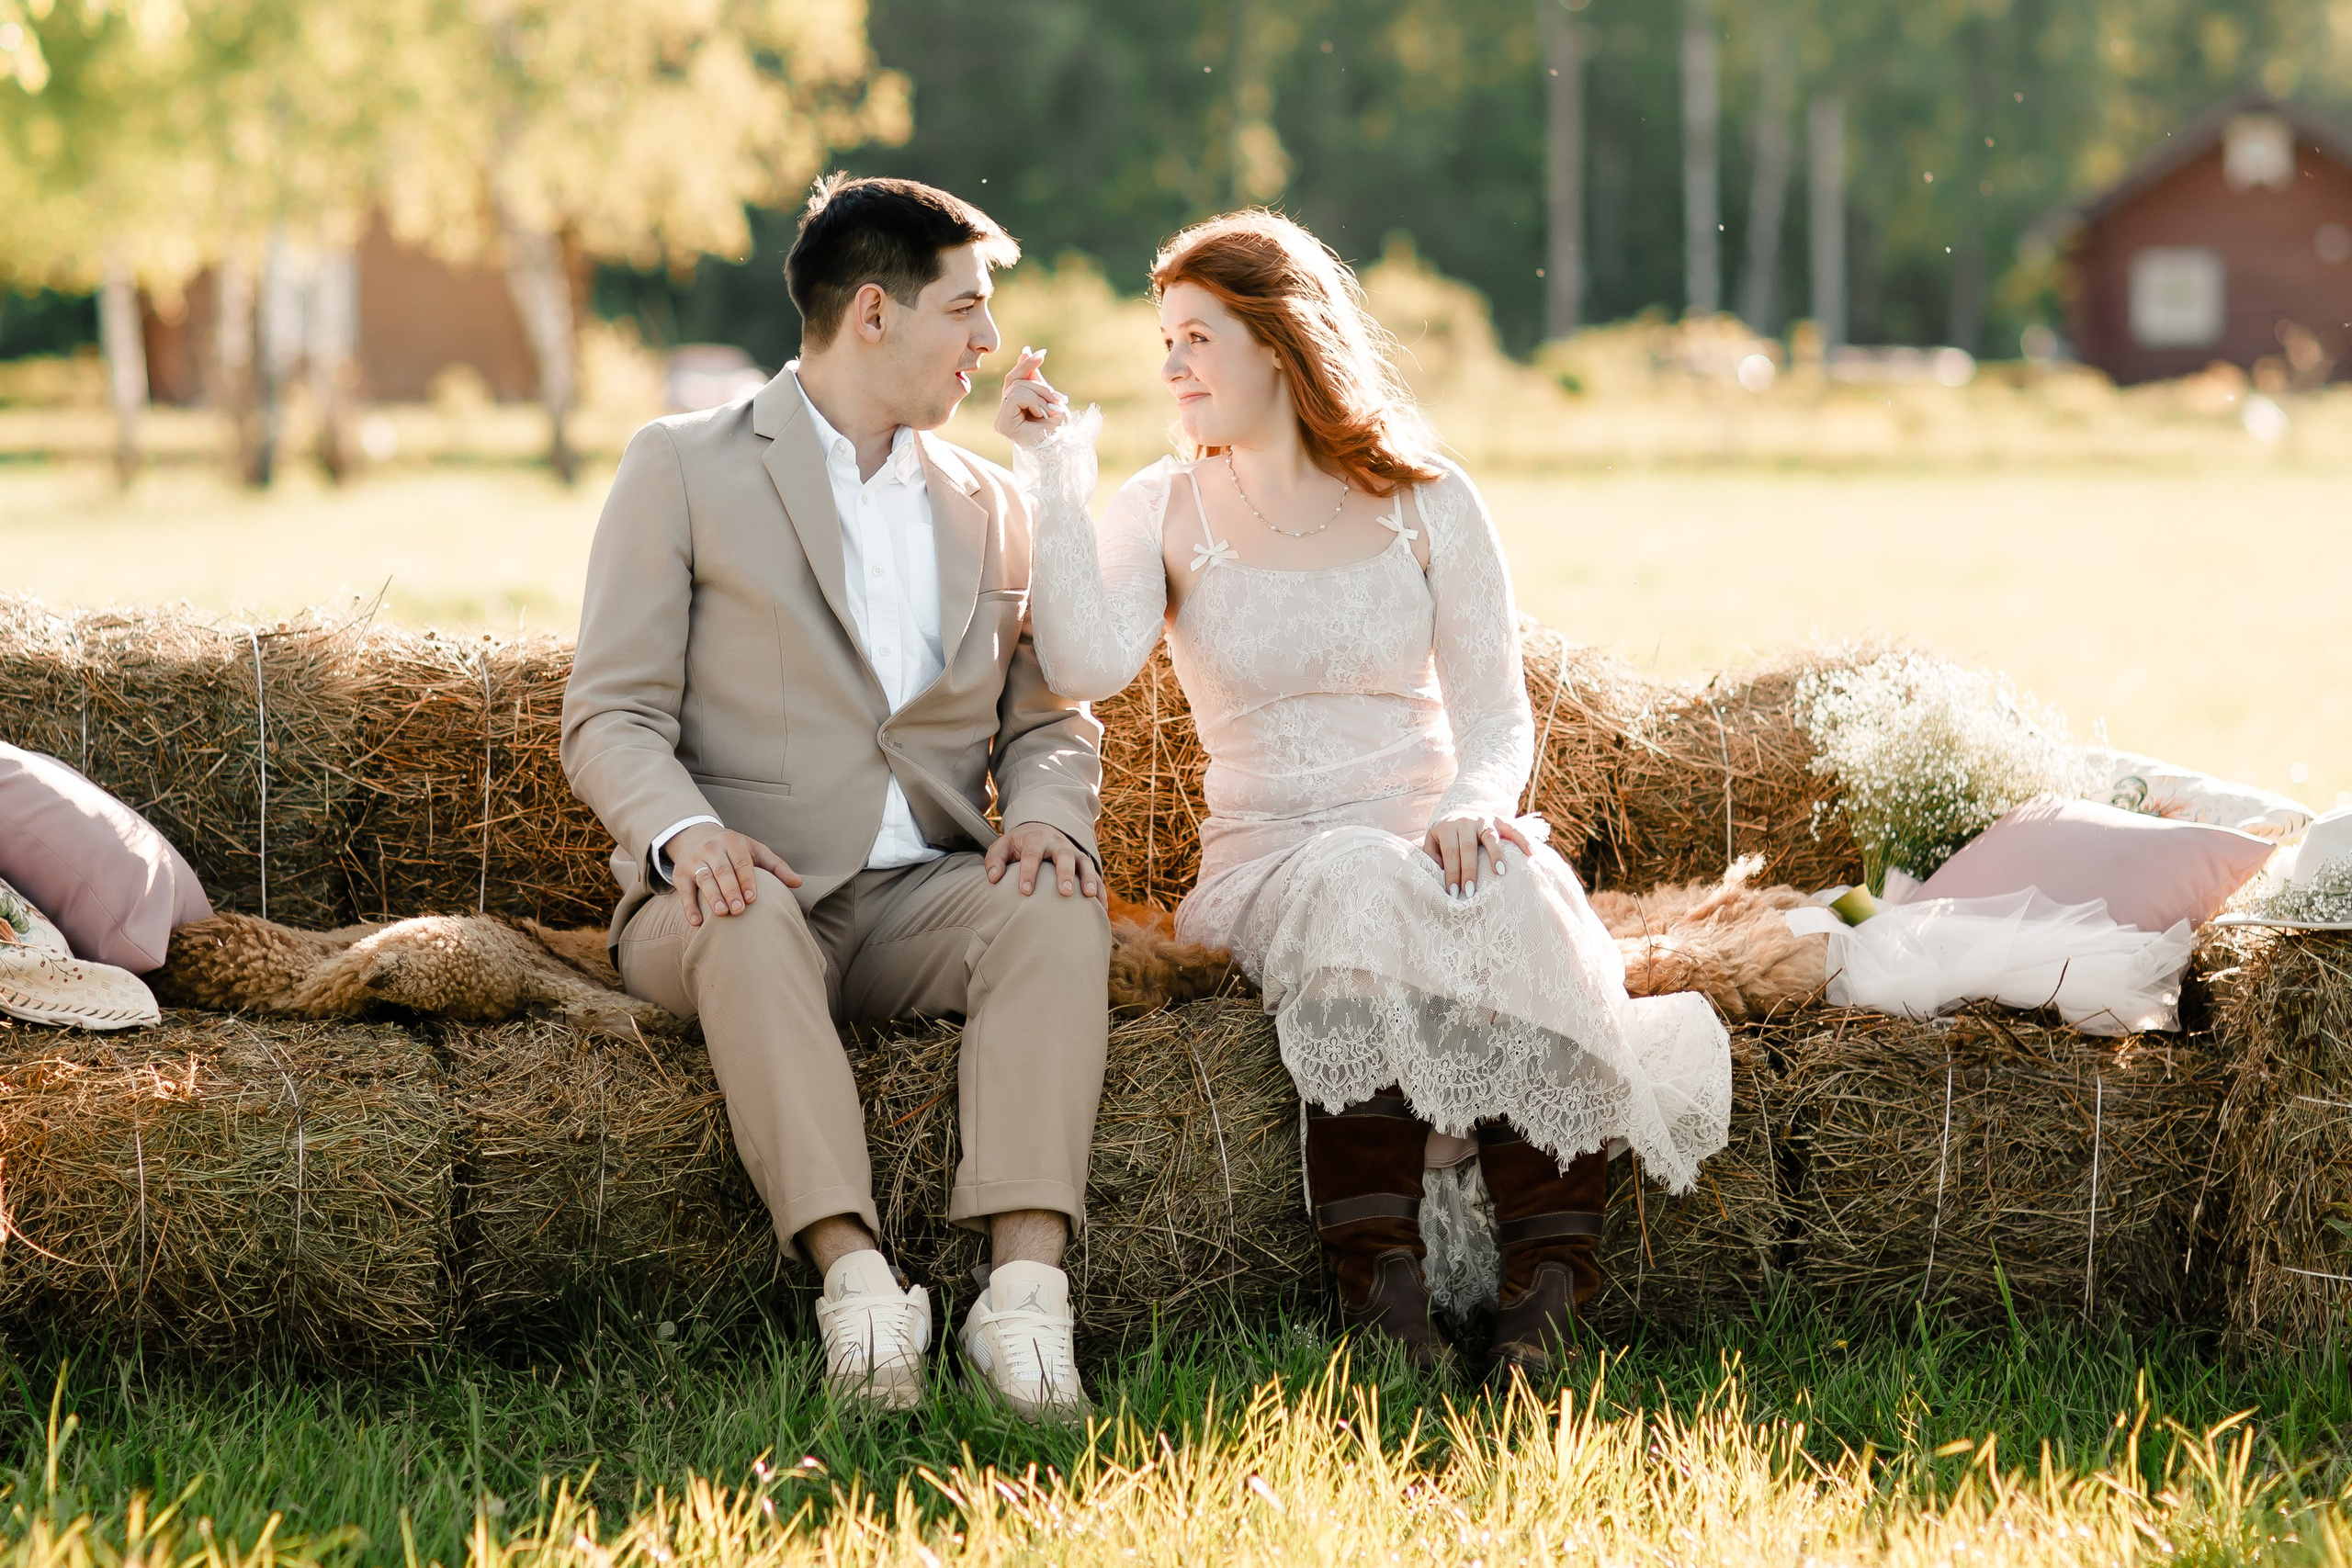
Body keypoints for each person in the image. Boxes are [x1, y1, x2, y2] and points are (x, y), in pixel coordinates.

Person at [996, 210, 1730, 1382]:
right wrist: (1051, 476)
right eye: (1165, 341)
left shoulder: (1428, 498)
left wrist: (1474, 803)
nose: (1171, 367)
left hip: (1427, 838)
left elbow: (1495, 719)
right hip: (1273, 863)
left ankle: (1545, 1301)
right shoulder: (1165, 504)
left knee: (1520, 887)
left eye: (1196, 339)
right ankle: (1382, 1302)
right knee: (1352, 879)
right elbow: (1083, 664)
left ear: (1278, 342)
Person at [561, 175, 1112, 1420]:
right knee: (745, 908)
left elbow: (1049, 720)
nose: (989, 339)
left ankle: (1025, 1303)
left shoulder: (994, 501)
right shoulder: (680, 465)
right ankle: (859, 1289)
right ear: (872, 311)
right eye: (965, 309)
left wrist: (1046, 813)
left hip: (924, 897)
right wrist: (688, 834)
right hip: (732, 900)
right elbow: (610, 713)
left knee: (1055, 904)